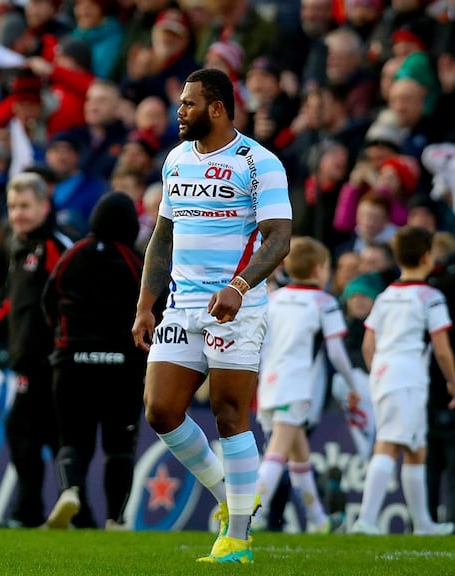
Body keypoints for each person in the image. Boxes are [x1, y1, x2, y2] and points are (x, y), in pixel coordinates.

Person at [130, 69, 292, 564]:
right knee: (160, 410)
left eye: (188, 104)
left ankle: (238, 537)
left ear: (217, 108)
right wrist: (145, 304)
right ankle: (231, 495)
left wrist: (240, 287)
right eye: (180, 103)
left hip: (236, 308)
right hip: (182, 305)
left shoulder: (258, 162)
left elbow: (279, 238)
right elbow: (163, 236)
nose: (180, 112)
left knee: (229, 413)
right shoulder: (176, 160)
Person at [0, 172, 71, 529]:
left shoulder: (56, 246)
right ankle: (58, 510)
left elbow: (72, 301)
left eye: (25, 206)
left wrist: (62, 348)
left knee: (34, 432)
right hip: (26, 359)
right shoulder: (18, 245)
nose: (18, 214)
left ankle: (39, 512)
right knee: (35, 435)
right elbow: (13, 305)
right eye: (13, 206)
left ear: (44, 206)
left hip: (51, 360)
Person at [41, 192, 147, 530]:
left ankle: (70, 491)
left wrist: (64, 340)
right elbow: (154, 307)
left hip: (72, 363)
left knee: (73, 441)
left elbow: (49, 300)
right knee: (119, 447)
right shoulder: (135, 261)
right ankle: (115, 518)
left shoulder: (73, 255)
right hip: (122, 367)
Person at [252, 236, 360, 534]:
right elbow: (336, 352)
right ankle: (249, 516)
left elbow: (260, 342)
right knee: (276, 452)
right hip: (297, 385)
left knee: (298, 456)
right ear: (318, 270)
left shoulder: (273, 298)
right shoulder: (324, 303)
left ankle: (319, 521)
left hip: (269, 382)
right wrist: (353, 385)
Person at [352, 226, 455, 536]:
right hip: (408, 377)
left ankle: (423, 523)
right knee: (389, 443)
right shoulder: (430, 297)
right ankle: (366, 520)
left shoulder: (386, 296)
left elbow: (367, 345)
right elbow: (442, 349)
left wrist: (379, 373)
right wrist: (453, 382)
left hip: (386, 374)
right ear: (427, 257)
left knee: (416, 448)